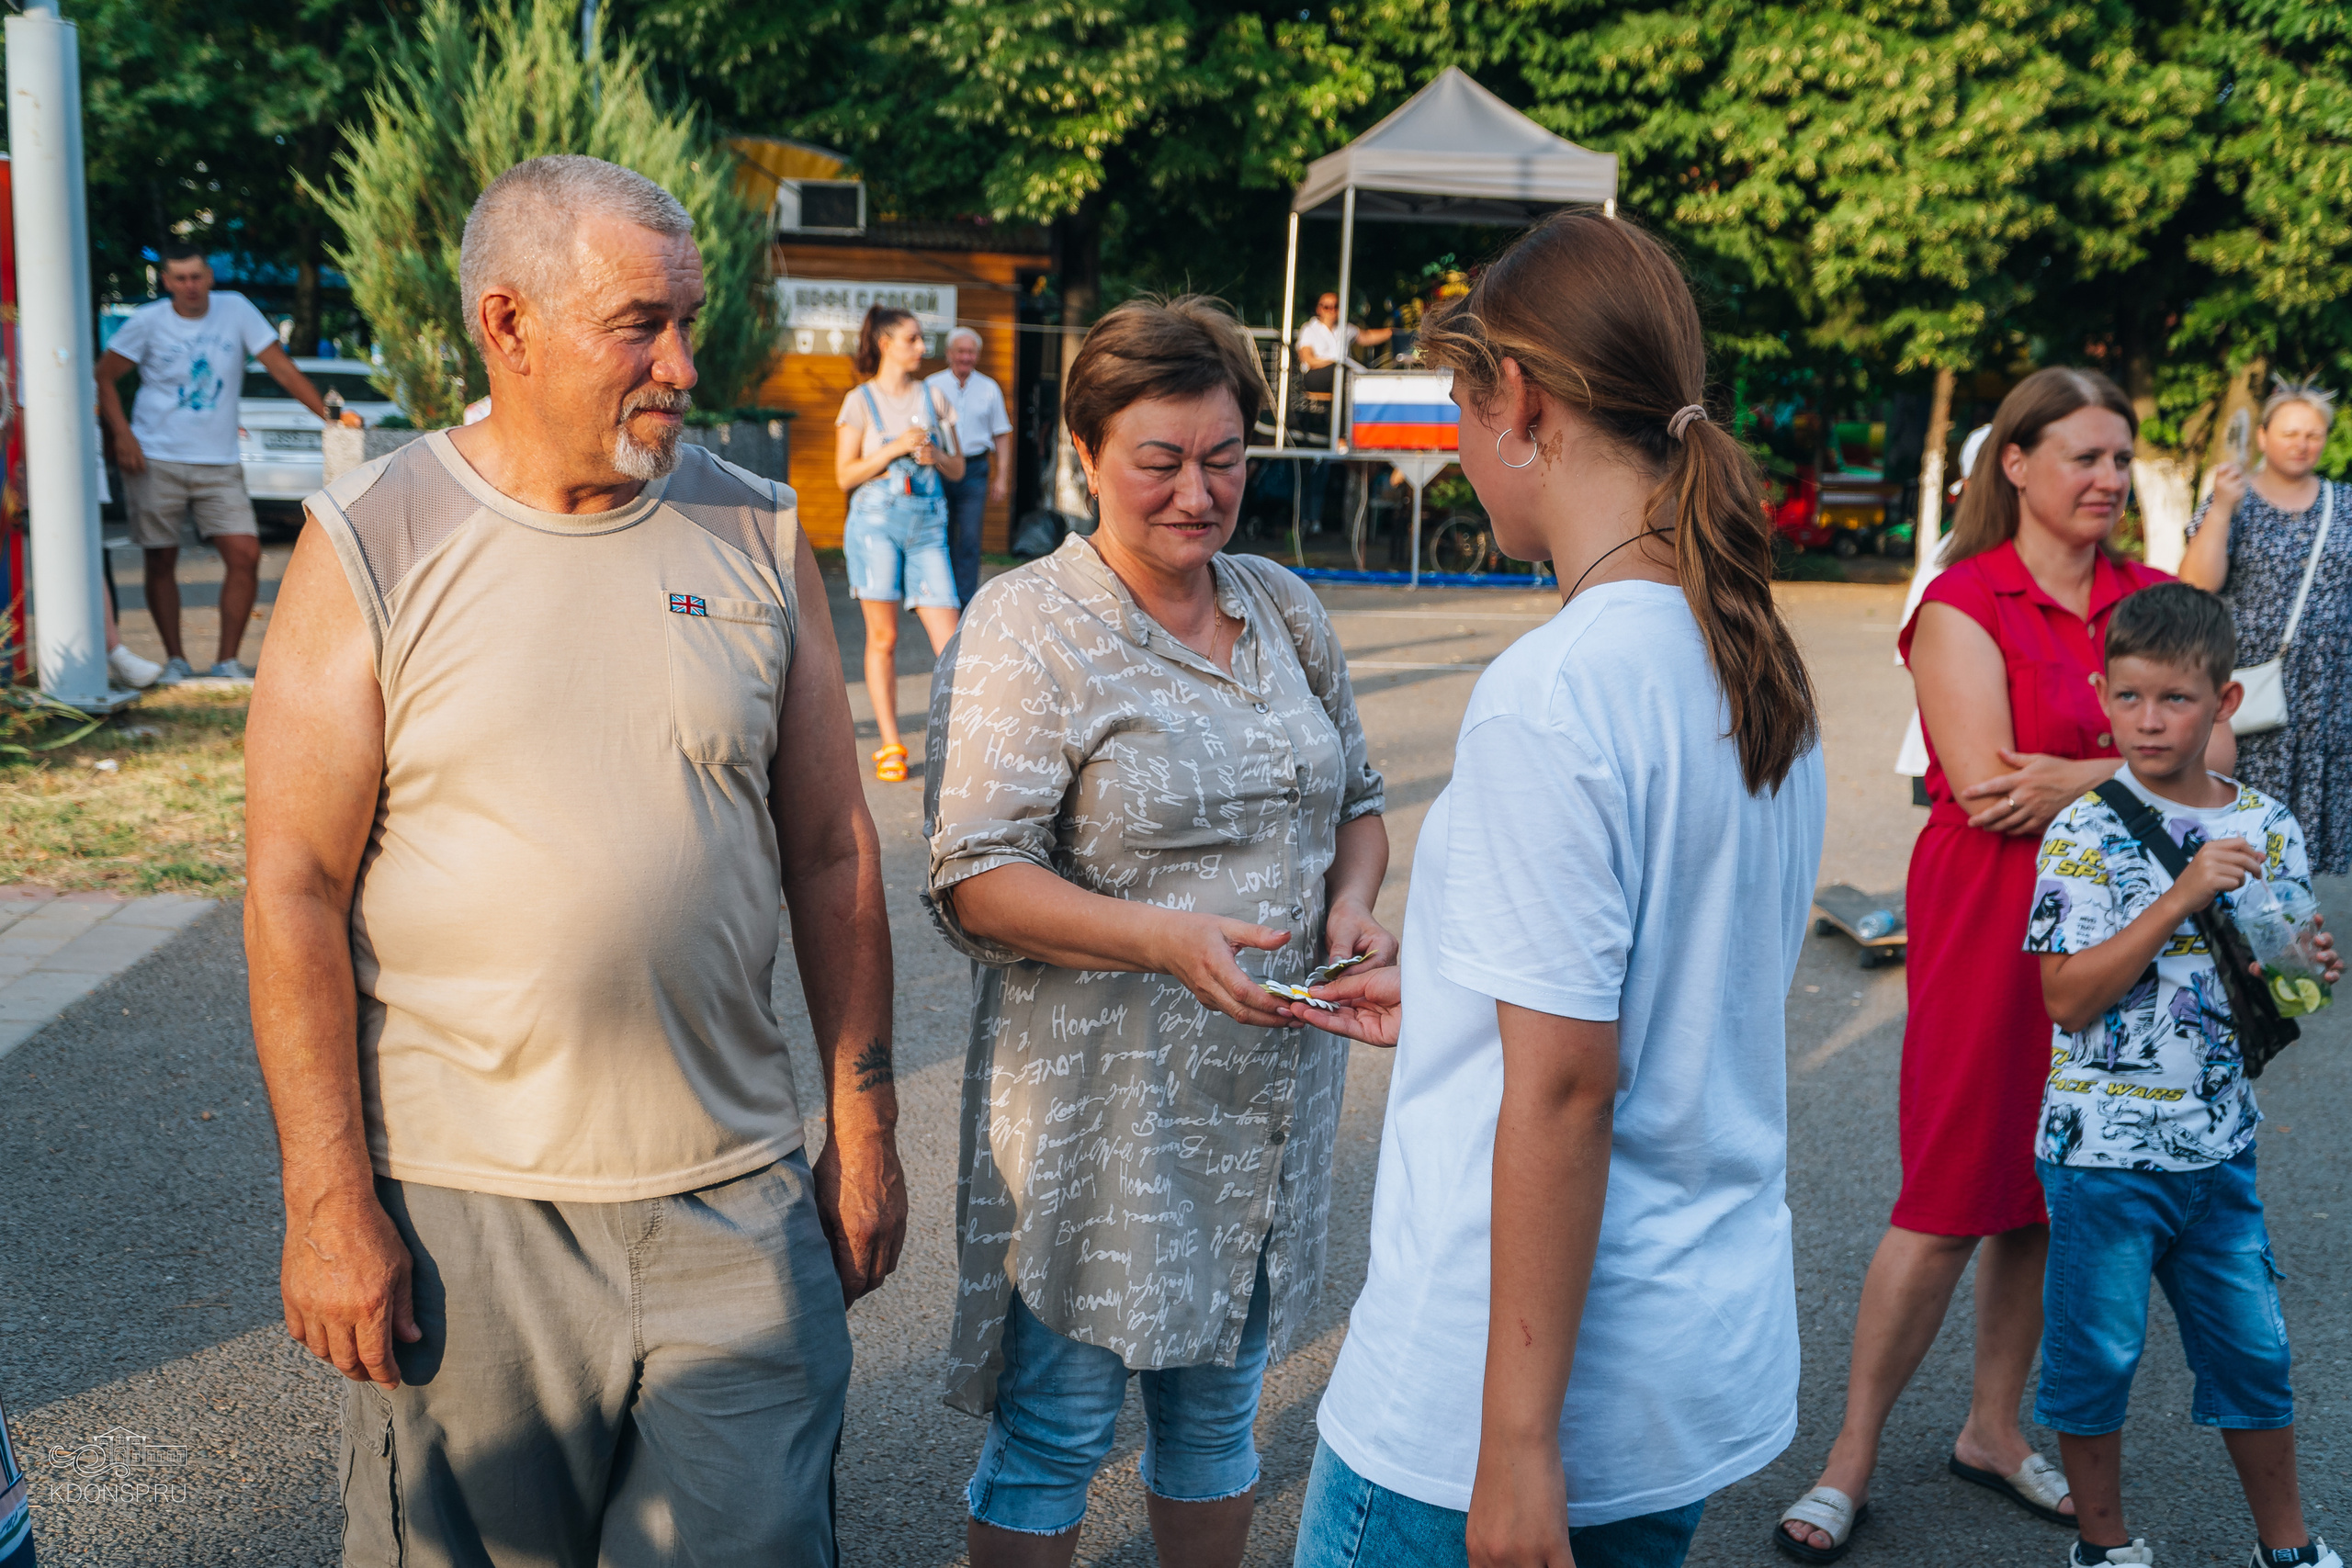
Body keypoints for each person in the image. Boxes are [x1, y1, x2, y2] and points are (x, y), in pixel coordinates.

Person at [244, 154, 905, 1566]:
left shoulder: (754, 527)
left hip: (734, 1200)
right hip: (466, 1219)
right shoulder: (375, 540)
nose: (680, 363)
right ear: (508, 324)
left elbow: (838, 851)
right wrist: (327, 1202)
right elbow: (291, 884)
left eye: (690, 319)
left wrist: (865, 1128)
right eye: (639, 324)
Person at [1277, 210, 1826, 1568]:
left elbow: (1570, 1088)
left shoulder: (1560, 687)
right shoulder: (1750, 651)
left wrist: (1515, 1449)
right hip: (1681, 1363)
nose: (1465, 455)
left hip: (1498, 1399)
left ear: (1521, 403)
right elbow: (1681, 969)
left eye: (1465, 412)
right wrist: (1460, 980)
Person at [922, 294, 1392, 1568]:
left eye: (1226, 455)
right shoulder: (1030, 621)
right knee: (1055, 1433)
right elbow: (975, 874)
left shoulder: (1282, 605)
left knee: (1219, 1422)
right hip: (1101, 1116)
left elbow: (1356, 800)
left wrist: (1351, 904)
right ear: (1087, 457)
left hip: (1268, 1101)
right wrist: (1163, 935)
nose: (1200, 491)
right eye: (1162, 459)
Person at [1777, 368, 2232, 1562]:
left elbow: (2222, 752)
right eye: (2083, 455)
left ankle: (1990, 1425)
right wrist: (2139, 768)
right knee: (1944, 1196)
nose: (2107, 479)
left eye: (2119, 458)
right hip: (1990, 917)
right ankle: (1850, 1455)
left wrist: (2076, 775)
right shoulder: (1963, 600)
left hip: (2122, 930)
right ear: (2015, 464)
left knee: (2046, 1190)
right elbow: (1986, 784)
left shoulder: (2152, 593)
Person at [2027, 582, 2341, 1568]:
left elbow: (2288, 998)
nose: (2148, 722)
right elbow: (2066, 999)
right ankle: (2105, 1546)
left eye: (2172, 700)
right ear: (2102, 693)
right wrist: (2179, 894)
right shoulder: (2082, 830)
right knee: (2097, 1358)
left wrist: (2306, 972)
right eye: (2127, 699)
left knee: (2256, 1354)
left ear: (2223, 703)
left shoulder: (2270, 824)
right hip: (2101, 1156)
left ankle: (2285, 1547)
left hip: (2218, 1151)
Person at [96, 243, 358, 683]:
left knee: (245, 552)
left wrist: (330, 418)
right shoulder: (148, 322)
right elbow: (104, 375)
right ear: (166, 283)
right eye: (180, 279)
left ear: (210, 278)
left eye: (197, 276)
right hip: (156, 456)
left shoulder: (235, 310)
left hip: (218, 460)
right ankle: (176, 660)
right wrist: (122, 435)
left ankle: (226, 661)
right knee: (160, 559)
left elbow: (282, 369)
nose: (190, 286)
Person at [2177, 378, 2349, 874]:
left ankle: (2294, 931)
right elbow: (2196, 582)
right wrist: (2224, 506)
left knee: (2308, 841)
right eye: (2290, 432)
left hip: (2328, 695)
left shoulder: (2345, 504)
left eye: (2313, 434)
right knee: (2239, 818)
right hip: (2248, 687)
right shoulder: (2234, 495)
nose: (2302, 443)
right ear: (2263, 437)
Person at [837, 304, 964, 781]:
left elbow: (959, 469)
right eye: (913, 339)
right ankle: (891, 744)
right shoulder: (859, 401)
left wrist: (936, 455)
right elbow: (843, 475)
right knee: (884, 637)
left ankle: (960, 738)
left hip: (929, 524)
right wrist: (892, 447)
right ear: (887, 344)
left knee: (951, 643)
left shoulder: (936, 396)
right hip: (875, 526)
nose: (922, 348)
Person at [927, 325, 1015, 606]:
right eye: (961, 351)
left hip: (975, 470)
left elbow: (1001, 434)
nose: (966, 357)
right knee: (937, 533)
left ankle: (964, 600)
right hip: (938, 468)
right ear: (949, 353)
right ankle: (939, 597)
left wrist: (1002, 477)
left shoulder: (989, 388)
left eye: (971, 352)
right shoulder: (931, 386)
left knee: (968, 537)